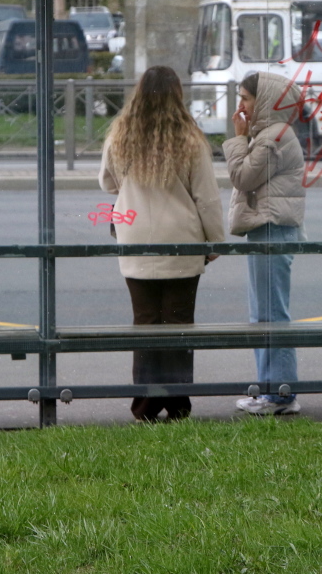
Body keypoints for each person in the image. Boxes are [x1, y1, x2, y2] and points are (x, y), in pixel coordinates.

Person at [100, 65, 225, 422]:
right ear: (177, 95)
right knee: (178, 323)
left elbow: (107, 182)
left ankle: (144, 405)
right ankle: (178, 403)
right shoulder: (190, 139)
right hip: (181, 240)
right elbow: (207, 198)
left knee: (145, 322)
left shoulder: (120, 135)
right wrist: (215, 242)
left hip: (135, 236)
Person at [223, 71, 306, 415]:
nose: (239, 105)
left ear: (265, 102)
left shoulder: (274, 137)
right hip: (266, 228)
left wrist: (238, 139)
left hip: (271, 228)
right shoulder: (271, 134)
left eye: (245, 98)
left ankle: (280, 394)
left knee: (271, 315)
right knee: (264, 314)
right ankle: (270, 389)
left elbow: (242, 176)